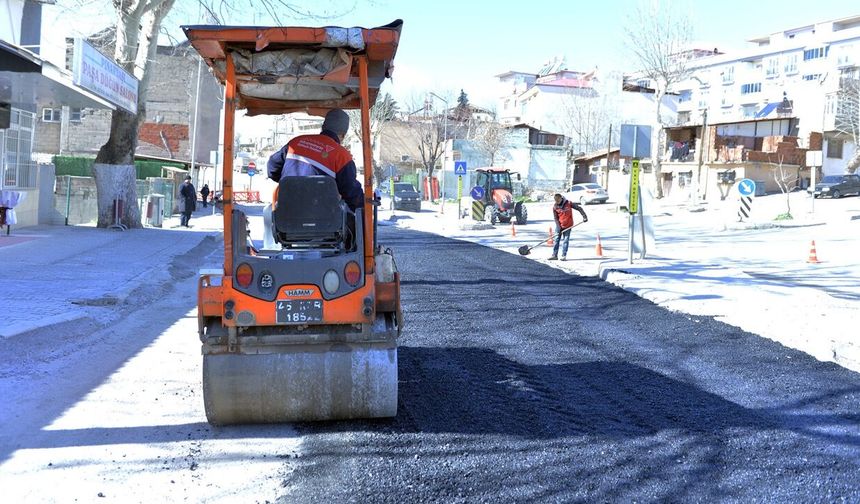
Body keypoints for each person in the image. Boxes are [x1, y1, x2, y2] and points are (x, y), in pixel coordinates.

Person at [267, 108, 363, 211]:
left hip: (286, 217)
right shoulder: (342, 156)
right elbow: (352, 194)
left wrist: (291, 184)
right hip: (325, 222)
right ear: (343, 135)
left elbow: (272, 167)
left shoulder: (296, 142)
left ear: (323, 127)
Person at [549, 193, 587, 261]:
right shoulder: (555, 207)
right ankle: (554, 255)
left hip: (568, 225)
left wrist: (584, 216)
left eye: (558, 201)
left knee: (566, 240)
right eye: (556, 201)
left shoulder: (569, 203)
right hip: (559, 225)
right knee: (556, 240)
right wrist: (558, 227)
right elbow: (556, 218)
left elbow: (579, 208)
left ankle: (563, 255)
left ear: (561, 198)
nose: (557, 202)